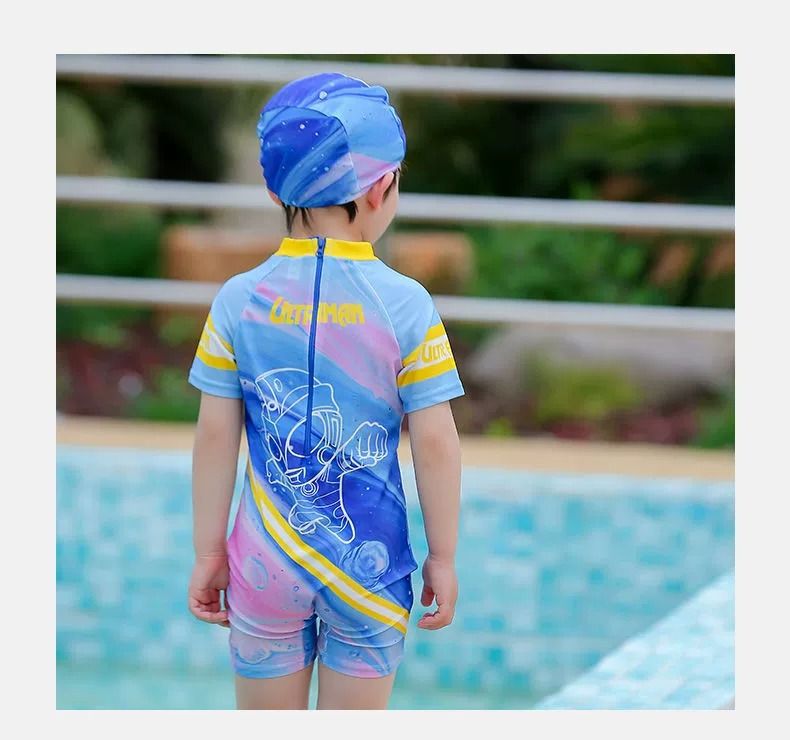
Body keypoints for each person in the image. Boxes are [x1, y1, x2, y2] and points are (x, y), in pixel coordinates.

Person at [186, 72, 464, 710]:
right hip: (369, 560)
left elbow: (214, 435)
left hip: (264, 560)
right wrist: (443, 557)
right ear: (381, 188)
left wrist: (208, 550)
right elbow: (436, 443)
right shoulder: (407, 305)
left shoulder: (239, 300)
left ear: (274, 188)